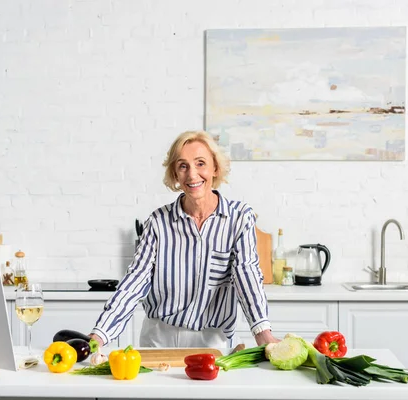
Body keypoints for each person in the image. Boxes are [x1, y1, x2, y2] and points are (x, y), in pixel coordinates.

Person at [89, 131, 279, 348]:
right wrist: (99, 335)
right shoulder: (158, 222)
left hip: (213, 341)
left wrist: (262, 331)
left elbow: (247, 273)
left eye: (200, 164)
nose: (192, 175)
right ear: (175, 174)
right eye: (183, 166)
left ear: (215, 168)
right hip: (158, 339)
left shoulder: (238, 218)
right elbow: (135, 281)